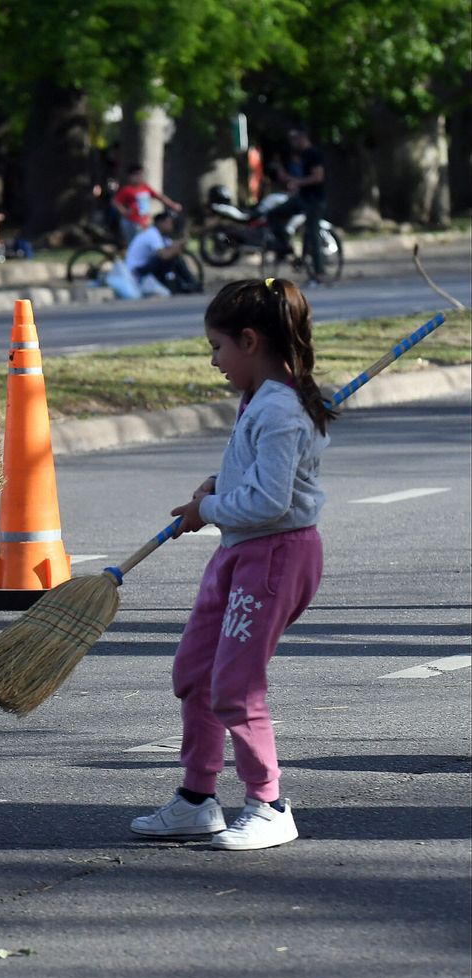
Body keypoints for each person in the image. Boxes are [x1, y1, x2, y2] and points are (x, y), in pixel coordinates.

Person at [131, 277, 332, 851]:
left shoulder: (282, 409)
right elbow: (265, 480)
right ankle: (197, 800)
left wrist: (208, 507)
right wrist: (219, 486)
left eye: (217, 347)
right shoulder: (261, 399)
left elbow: (271, 502)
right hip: (239, 551)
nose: (214, 361)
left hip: (274, 557)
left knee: (236, 686)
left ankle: (269, 804)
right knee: (195, 673)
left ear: (249, 341)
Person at [270, 127, 326, 281]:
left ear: (303, 137)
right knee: (273, 213)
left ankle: (319, 272)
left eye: (295, 138)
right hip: (301, 198)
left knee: (312, 233)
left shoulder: (313, 154)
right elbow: (294, 178)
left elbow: (318, 177)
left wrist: (298, 182)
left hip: (314, 200)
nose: (292, 142)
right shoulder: (299, 156)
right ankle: (285, 246)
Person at [123, 211, 199, 296]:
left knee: (173, 256)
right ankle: (186, 285)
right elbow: (164, 255)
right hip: (137, 272)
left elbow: (172, 247)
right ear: (160, 223)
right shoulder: (152, 234)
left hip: (145, 268)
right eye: (169, 222)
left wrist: (182, 242)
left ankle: (187, 285)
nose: (172, 225)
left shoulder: (162, 236)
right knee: (171, 258)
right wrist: (176, 250)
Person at [113, 164, 181, 246]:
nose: (139, 177)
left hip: (144, 222)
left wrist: (172, 205)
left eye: (141, 174)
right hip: (132, 222)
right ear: (130, 177)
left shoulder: (145, 187)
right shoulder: (127, 190)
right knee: (135, 245)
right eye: (136, 174)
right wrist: (124, 212)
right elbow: (115, 201)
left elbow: (159, 197)